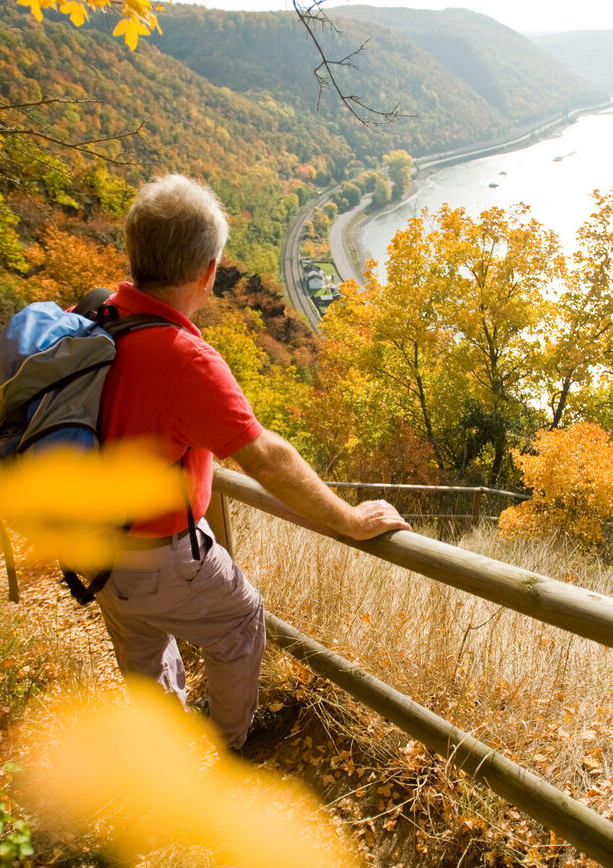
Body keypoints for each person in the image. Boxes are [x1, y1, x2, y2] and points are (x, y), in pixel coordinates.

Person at [95, 174, 410, 753]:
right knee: (240, 624)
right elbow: (264, 456)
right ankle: (228, 746)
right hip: (159, 552)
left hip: (92, 543)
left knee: (142, 646)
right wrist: (350, 520)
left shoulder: (95, 319)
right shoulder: (185, 359)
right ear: (208, 272)